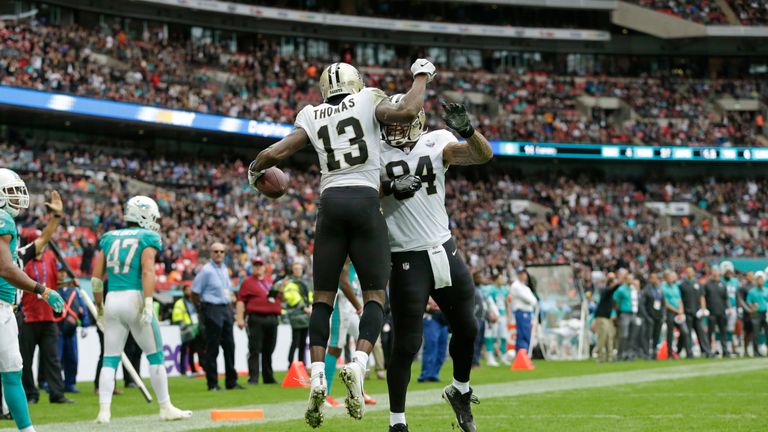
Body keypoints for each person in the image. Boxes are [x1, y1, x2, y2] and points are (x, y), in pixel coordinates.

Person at [248, 59, 435, 427]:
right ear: (356, 82)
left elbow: (277, 153)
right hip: (366, 202)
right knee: (375, 298)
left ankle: (318, 375)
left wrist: (254, 171)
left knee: (322, 299)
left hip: (330, 206)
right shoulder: (367, 98)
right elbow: (408, 110)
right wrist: (421, 75)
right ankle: (360, 364)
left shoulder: (311, 113)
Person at [380, 98, 492, 432]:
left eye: (402, 122)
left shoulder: (437, 141)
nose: (394, 128)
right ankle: (397, 422)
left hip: (444, 247)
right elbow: (357, 193)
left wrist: (468, 131)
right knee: (407, 343)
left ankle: (460, 390)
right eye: (391, 122)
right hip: (404, 256)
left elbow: (482, 155)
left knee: (468, 327)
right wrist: (387, 186)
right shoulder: (376, 152)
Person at [91, 195, 191, 423]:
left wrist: (99, 306)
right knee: (155, 356)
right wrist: (147, 302)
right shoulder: (147, 236)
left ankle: (104, 412)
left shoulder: (109, 237)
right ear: (143, 214)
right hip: (134, 297)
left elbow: (96, 279)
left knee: (110, 358)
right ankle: (165, 407)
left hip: (112, 298)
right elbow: (147, 271)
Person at [0, 168, 65, 432]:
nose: (17, 198)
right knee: (12, 373)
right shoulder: (3, 220)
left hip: (8, 310)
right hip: (2, 308)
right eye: (11, 192)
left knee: (12, 373)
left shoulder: (14, 245)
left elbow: (39, 244)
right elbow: (6, 268)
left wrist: (56, 218)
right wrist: (43, 290)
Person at [18, 227, 74, 404]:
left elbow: (54, 282)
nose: (40, 247)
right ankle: (31, 394)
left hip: (48, 317)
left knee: (52, 358)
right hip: (28, 316)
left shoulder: (50, 258)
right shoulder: (22, 261)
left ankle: (57, 393)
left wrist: (69, 282)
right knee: (26, 359)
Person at [191, 242, 242, 391]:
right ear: (211, 254)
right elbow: (194, 291)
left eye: (221, 251)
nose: (219, 254)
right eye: (216, 251)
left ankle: (231, 382)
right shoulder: (206, 271)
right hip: (212, 308)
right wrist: (201, 309)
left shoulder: (225, 269)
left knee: (230, 346)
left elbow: (227, 289)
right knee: (213, 348)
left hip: (226, 308)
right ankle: (212, 383)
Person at [236, 257, 281, 385]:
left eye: (259, 265)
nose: (258, 267)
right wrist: (240, 318)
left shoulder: (270, 281)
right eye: (255, 265)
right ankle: (253, 377)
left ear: (263, 267)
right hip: (256, 318)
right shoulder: (247, 282)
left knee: (269, 349)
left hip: (272, 318)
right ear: (252, 267)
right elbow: (240, 301)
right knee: (254, 348)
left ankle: (268, 377)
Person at [55, 265, 86, 393]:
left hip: (71, 330)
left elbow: (82, 307)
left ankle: (70, 383)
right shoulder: (54, 290)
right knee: (56, 358)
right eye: (60, 272)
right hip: (57, 328)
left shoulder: (74, 291)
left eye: (64, 272)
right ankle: (55, 383)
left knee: (72, 358)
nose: (62, 275)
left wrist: (85, 323)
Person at [282, 262, 313, 367]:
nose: (298, 270)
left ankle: (301, 365)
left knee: (302, 343)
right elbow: (292, 297)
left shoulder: (305, 282)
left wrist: (310, 307)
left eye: (299, 268)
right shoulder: (289, 282)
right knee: (295, 342)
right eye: (295, 268)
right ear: (292, 270)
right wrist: (305, 308)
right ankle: (290, 365)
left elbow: (309, 296)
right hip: (296, 315)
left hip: (306, 315)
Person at [679, 267, 711, 358]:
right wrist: (681, 312)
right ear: (686, 273)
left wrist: (703, 309)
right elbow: (680, 299)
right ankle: (689, 353)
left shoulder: (698, 284)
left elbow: (702, 297)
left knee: (701, 333)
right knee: (687, 334)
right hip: (687, 312)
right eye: (688, 272)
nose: (690, 273)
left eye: (691, 272)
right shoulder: (682, 285)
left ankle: (706, 351)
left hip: (697, 313)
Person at [172, 284, 203, 377]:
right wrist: (184, 326)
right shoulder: (180, 303)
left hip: (195, 327)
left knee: (193, 350)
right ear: (184, 291)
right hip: (186, 328)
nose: (189, 291)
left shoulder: (194, 301)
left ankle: (193, 369)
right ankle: (182, 370)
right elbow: (176, 316)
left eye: (190, 289)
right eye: (187, 290)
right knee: (184, 349)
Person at [662, 271, 692, 359]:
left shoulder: (676, 287)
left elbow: (680, 300)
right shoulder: (663, 288)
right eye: (670, 276)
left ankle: (688, 353)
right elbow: (666, 303)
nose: (672, 278)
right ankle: (670, 354)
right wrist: (676, 310)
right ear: (666, 278)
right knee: (670, 334)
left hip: (678, 312)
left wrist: (681, 311)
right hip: (670, 313)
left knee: (685, 332)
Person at [592, 271, 622, 362]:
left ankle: (610, 356)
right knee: (602, 337)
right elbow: (611, 289)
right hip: (601, 317)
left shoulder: (611, 295)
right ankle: (601, 356)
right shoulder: (605, 290)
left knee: (610, 337)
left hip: (608, 318)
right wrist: (619, 282)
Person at [483, 273, 512, 366]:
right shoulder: (490, 289)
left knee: (504, 337)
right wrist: (491, 314)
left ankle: (503, 358)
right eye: (500, 278)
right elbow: (488, 303)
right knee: (492, 337)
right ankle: (490, 358)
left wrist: (509, 315)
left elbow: (507, 303)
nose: (502, 280)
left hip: (502, 316)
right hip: (494, 316)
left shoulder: (505, 290)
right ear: (495, 279)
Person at [418, 297, 449, 383]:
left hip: (444, 318)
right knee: (431, 346)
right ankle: (426, 375)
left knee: (441, 350)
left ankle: (434, 374)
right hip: (431, 317)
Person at [509, 268, 538, 354]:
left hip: (528, 312)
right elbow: (529, 299)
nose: (524, 276)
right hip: (521, 311)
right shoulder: (516, 285)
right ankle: (521, 354)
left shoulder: (525, 287)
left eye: (524, 274)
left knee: (527, 333)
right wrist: (533, 301)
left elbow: (534, 299)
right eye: (521, 274)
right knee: (522, 333)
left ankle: (525, 354)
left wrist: (533, 301)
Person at [613, 274, 639, 361]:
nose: (630, 281)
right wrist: (618, 312)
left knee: (632, 334)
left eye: (632, 279)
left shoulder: (633, 289)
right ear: (625, 280)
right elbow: (615, 300)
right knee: (624, 335)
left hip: (633, 313)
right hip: (624, 313)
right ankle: (620, 354)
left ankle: (629, 353)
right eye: (629, 279)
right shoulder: (621, 289)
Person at [703, 268, 729, 357]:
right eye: (714, 273)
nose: (716, 275)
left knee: (723, 332)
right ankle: (709, 351)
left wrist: (728, 308)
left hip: (722, 312)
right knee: (710, 332)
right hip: (711, 312)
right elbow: (704, 297)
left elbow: (726, 298)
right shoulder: (707, 285)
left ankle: (725, 350)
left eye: (717, 274)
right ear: (711, 274)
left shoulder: (722, 284)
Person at [638, 273, 664, 359]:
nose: (655, 280)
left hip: (658, 317)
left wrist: (662, 315)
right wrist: (646, 317)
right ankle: (646, 353)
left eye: (656, 278)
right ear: (650, 279)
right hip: (649, 316)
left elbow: (663, 303)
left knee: (656, 335)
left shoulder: (659, 289)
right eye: (653, 278)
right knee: (647, 336)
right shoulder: (646, 290)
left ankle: (654, 353)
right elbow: (642, 305)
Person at [746, 272, 768, 357]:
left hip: (765, 313)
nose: (760, 281)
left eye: (761, 279)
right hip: (756, 314)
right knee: (756, 333)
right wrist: (752, 306)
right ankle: (755, 351)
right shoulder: (752, 291)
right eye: (758, 279)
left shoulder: (766, 290)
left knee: (767, 332)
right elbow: (748, 301)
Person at [720, 261, 739, 356]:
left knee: (731, 329)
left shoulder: (735, 281)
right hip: (723, 308)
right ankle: (722, 347)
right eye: (726, 272)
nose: (728, 273)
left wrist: (738, 307)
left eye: (729, 272)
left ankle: (729, 347)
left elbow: (737, 295)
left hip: (733, 307)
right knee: (722, 328)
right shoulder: (720, 281)